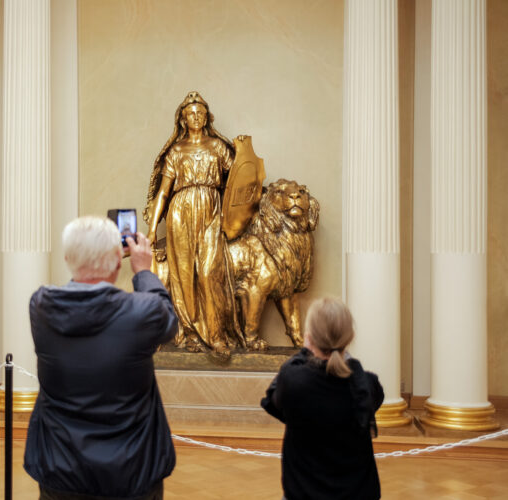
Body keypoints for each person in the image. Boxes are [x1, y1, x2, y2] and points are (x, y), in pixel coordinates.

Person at [24, 216, 178, 500]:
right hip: (132, 471)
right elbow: (169, 322)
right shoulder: (143, 312)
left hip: (61, 467)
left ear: (68, 258)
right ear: (120, 260)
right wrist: (144, 272)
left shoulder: (41, 306)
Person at [144, 91, 238, 358]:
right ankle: (191, 333)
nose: (196, 117)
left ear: (207, 117)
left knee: (209, 272)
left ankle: (217, 336)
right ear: (183, 120)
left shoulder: (218, 147)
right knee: (184, 274)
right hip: (180, 211)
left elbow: (237, 181)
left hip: (211, 208)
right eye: (191, 114)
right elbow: (164, 191)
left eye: (201, 113)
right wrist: (152, 229)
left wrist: (243, 153)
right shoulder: (176, 151)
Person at [260, 297, 384, 500]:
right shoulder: (366, 384)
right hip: (358, 493)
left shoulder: (293, 381)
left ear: (309, 338)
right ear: (350, 338)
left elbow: (272, 403)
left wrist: (305, 352)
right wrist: (347, 359)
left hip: (304, 493)